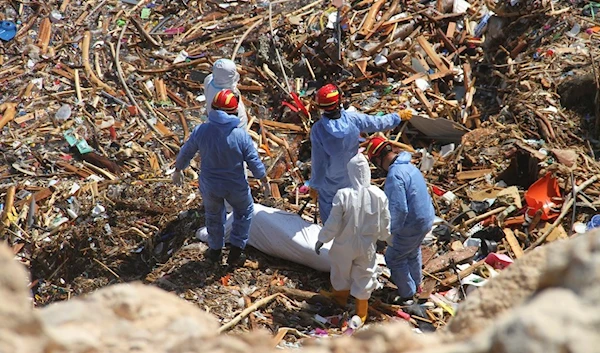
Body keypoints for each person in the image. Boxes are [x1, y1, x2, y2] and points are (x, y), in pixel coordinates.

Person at [172, 89, 270, 266]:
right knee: (244, 212)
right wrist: (263, 179)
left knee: (214, 216)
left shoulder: (202, 130)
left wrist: (178, 169)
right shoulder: (240, 135)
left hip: (210, 186)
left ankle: (215, 250)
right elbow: (253, 161)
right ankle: (236, 251)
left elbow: (187, 152)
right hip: (236, 186)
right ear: (234, 111)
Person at [309, 83, 411, 223]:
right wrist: (397, 116)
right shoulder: (353, 119)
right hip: (352, 174)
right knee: (353, 206)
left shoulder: (318, 130)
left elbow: (319, 162)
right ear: (339, 101)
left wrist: (314, 185)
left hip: (331, 181)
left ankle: (332, 240)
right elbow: (378, 122)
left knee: (331, 212)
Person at [314, 153, 391, 323]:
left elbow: (333, 223)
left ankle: (340, 298)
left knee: (340, 269)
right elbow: (385, 221)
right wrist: (387, 238)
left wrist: (322, 239)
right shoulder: (379, 195)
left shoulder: (343, 195)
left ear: (350, 173)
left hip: (344, 243)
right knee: (365, 272)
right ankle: (361, 311)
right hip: (367, 245)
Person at [364, 136, 435, 304]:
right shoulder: (409, 167)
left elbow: (399, 210)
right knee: (411, 250)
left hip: (413, 223)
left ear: (379, 159)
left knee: (394, 257)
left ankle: (407, 295)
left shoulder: (395, 176)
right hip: (426, 219)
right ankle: (417, 285)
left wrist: (387, 235)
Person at [204, 58, 248, 130]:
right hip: (232, 129)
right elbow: (239, 118)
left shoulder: (208, 81)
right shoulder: (227, 96)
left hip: (212, 121)